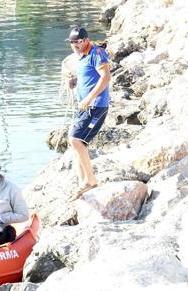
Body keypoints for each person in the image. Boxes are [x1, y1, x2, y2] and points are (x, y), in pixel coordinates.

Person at [66, 26, 111, 198]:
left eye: (77, 41)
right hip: (84, 106)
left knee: (76, 139)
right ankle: (83, 181)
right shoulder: (81, 57)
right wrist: (74, 82)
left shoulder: (97, 53)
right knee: (76, 142)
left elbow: (105, 77)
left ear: (86, 40)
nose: (74, 45)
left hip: (96, 106)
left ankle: (90, 181)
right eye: (72, 42)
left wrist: (89, 98)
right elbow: (88, 76)